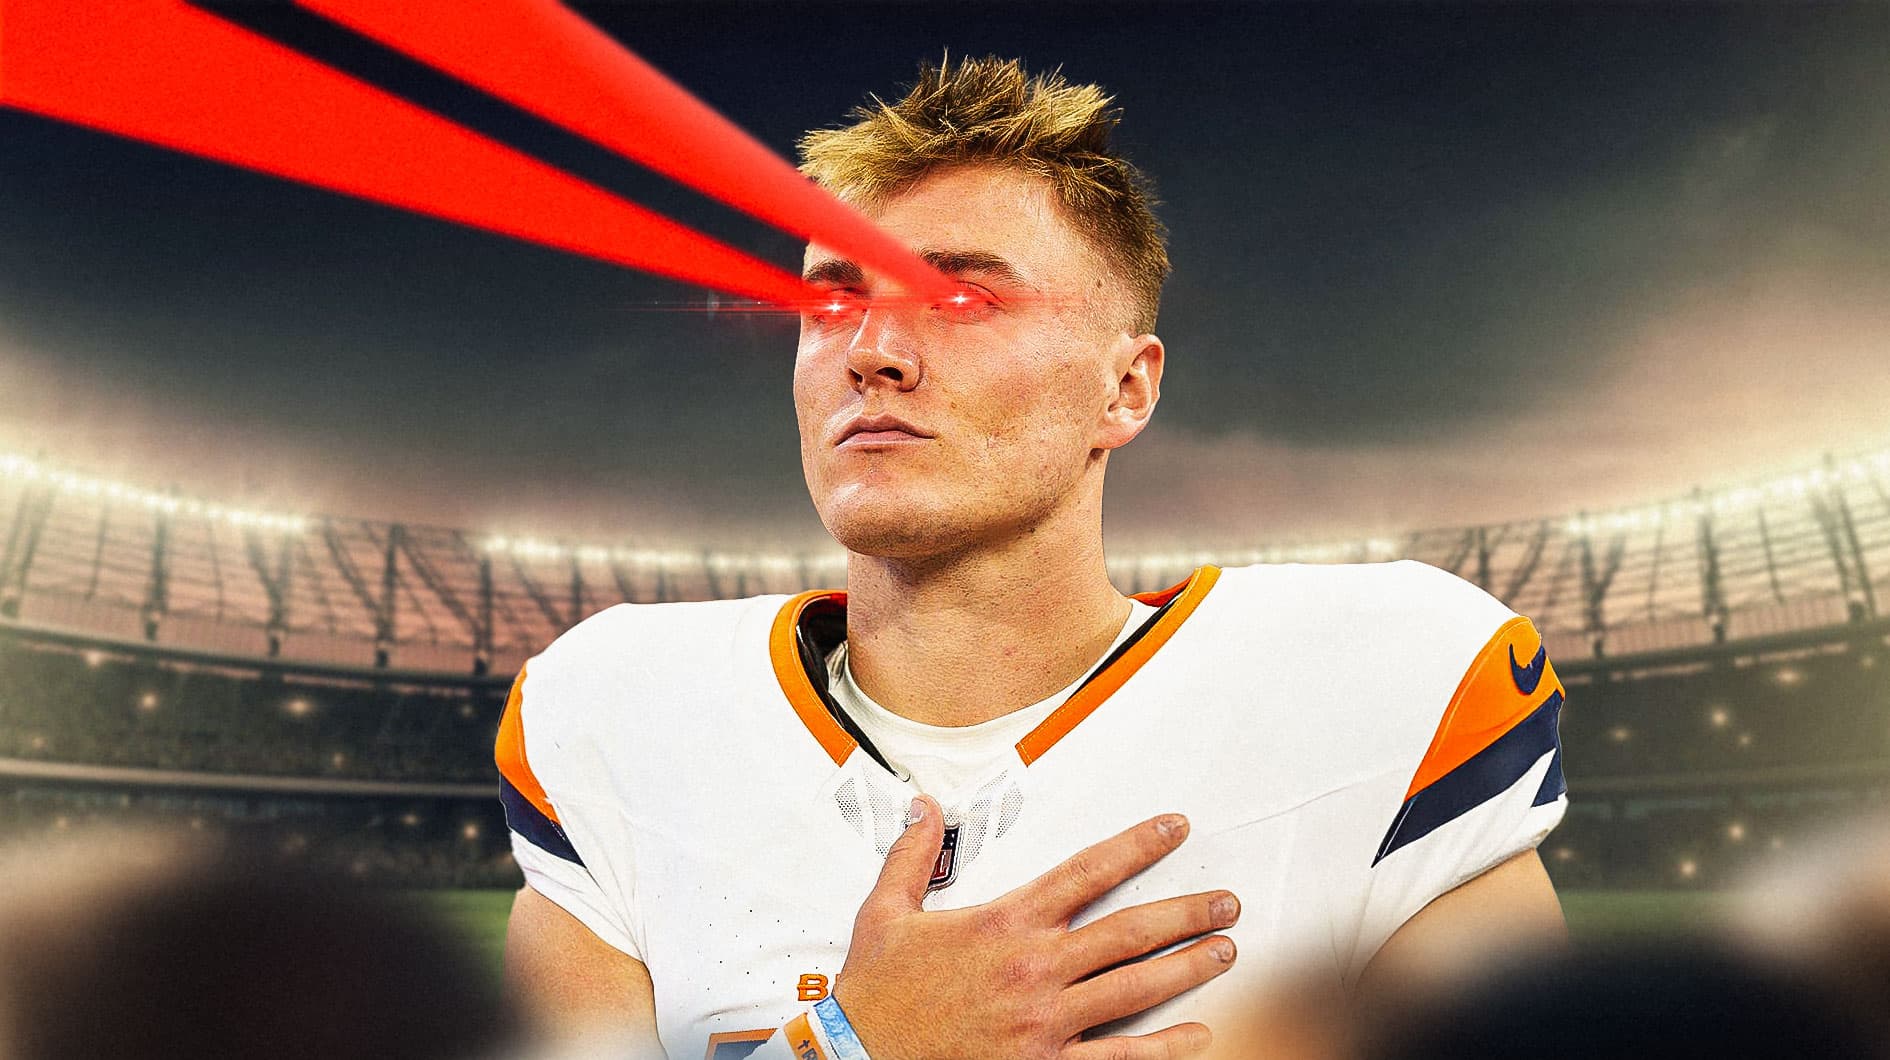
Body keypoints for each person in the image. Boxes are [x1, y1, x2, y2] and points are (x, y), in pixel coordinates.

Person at [498, 55, 1569, 1060]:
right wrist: (852, 1043)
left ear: (1127, 388)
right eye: (832, 301)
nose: (871, 351)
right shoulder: (623, 715)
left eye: (961, 297)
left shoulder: (1379, 693)